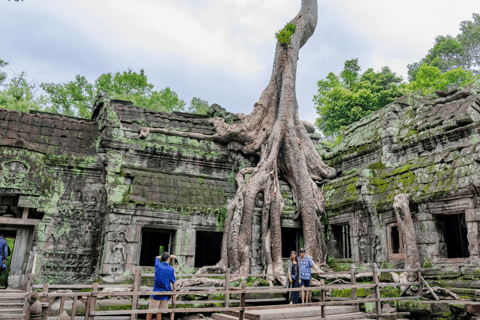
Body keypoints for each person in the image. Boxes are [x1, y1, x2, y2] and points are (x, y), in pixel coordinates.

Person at [147, 252, 178, 320]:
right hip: (165, 294)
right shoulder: (171, 269)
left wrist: (169, 256)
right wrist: (174, 268)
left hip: (156, 293)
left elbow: (157, 257)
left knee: (150, 312)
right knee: (159, 313)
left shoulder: (158, 265)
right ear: (168, 259)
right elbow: (173, 280)